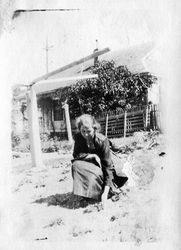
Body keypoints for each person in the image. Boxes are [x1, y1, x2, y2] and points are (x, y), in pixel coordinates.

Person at [71, 114, 128, 207]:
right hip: (92, 164)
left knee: (106, 184)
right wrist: (91, 156)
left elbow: (108, 167)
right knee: (76, 165)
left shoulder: (102, 140)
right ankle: (85, 192)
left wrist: (105, 193)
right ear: (79, 129)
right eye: (83, 131)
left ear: (94, 128)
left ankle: (103, 190)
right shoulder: (78, 138)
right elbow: (76, 155)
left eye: (88, 131)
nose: (85, 134)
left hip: (104, 166)